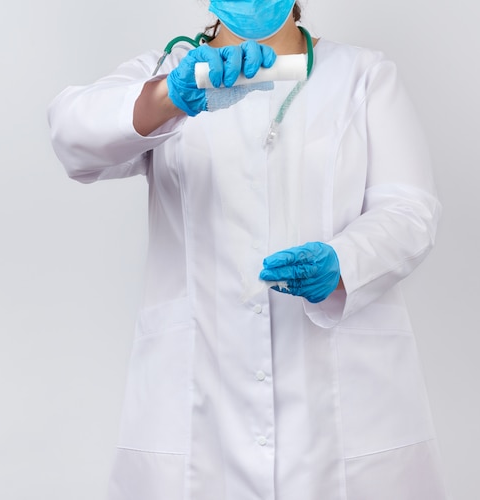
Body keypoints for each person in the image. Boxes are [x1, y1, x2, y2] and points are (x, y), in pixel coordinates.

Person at [48, 1, 449, 499]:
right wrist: (167, 99)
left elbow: (410, 210)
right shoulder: (169, 74)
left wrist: (345, 263)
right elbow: (70, 135)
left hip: (339, 398)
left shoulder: (363, 76)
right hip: (200, 390)